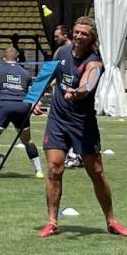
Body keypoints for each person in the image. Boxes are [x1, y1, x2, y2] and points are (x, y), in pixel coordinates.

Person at [38, 17, 127, 238]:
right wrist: (34, 99)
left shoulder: (95, 61)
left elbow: (89, 82)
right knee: (54, 168)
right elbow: (47, 75)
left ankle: (111, 220)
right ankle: (52, 222)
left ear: (92, 39)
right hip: (57, 120)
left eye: (84, 34)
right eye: (77, 32)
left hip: (82, 123)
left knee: (96, 171)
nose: (79, 36)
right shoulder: (61, 53)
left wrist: (78, 91)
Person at [0, 47, 44, 179]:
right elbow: (31, 93)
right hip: (22, 107)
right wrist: (35, 105)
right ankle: (39, 171)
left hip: (4, 106)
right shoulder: (25, 73)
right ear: (17, 59)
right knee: (27, 140)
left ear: (4, 58)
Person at [49, 23, 83, 169]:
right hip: (61, 99)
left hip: (76, 101)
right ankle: (72, 155)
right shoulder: (60, 51)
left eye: (57, 36)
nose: (55, 39)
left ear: (65, 35)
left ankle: (76, 155)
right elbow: (51, 70)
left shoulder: (81, 52)